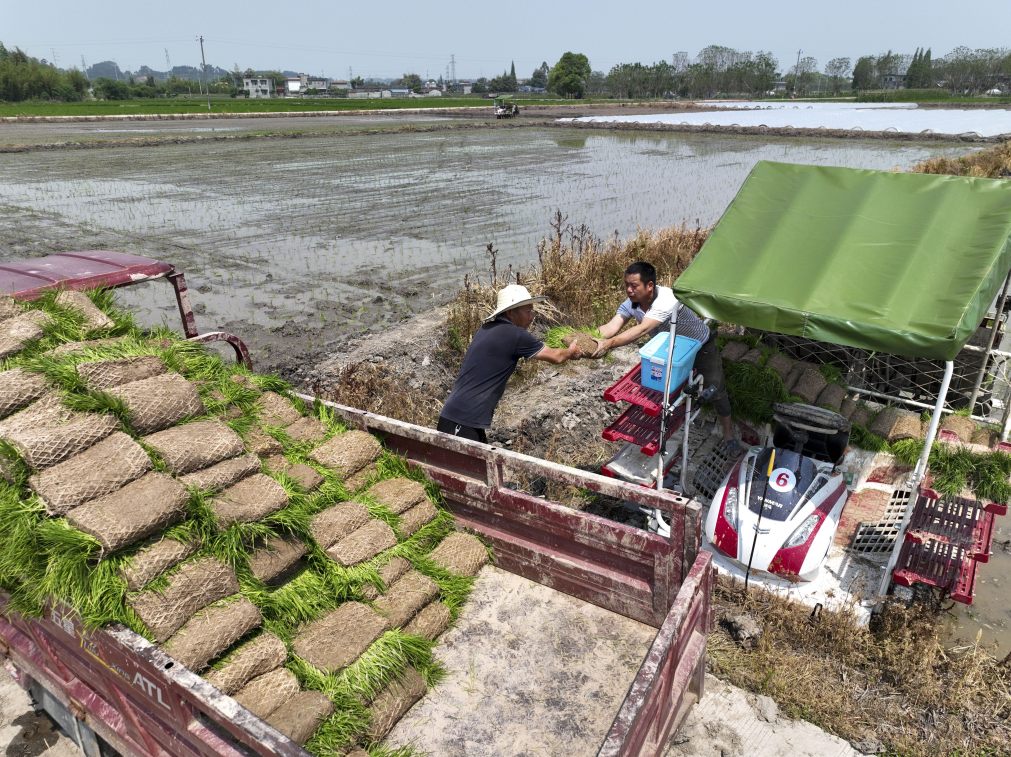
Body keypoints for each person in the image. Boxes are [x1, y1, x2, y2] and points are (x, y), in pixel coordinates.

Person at [594, 261, 740, 452]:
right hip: (669, 352)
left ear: (650, 286)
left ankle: (728, 433)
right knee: (665, 393)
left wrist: (609, 344)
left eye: (634, 286)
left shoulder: (666, 299)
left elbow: (642, 329)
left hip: (699, 347)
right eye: (626, 285)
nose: (629, 290)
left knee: (715, 388)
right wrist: (589, 337)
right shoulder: (632, 303)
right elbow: (612, 326)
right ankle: (667, 433)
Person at [438, 284, 582, 443]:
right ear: (511, 312)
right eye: (528, 311)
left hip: (459, 416)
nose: (532, 316)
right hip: (462, 420)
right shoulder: (515, 335)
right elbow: (556, 357)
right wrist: (571, 351)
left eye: (532, 311)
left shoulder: (487, 328)